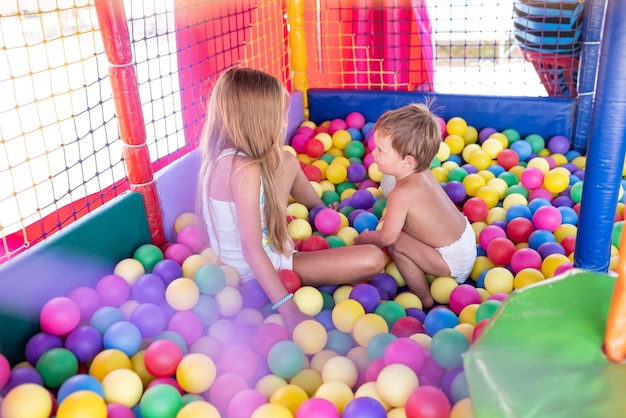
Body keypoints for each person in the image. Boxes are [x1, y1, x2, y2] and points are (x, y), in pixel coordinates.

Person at [197, 67, 386, 333]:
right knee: (374, 259)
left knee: (286, 159)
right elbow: (252, 250)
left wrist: (321, 218)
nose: (284, 124)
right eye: (279, 118)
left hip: (258, 252)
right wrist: (289, 309)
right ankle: (320, 216)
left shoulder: (221, 157)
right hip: (260, 271)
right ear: (258, 121)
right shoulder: (245, 170)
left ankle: (321, 211)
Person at [354, 103, 476, 308]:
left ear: (407, 162)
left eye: (381, 150)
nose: (373, 153)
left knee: (397, 243)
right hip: (464, 239)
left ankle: (423, 296)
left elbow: (386, 237)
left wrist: (365, 238)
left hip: (453, 261)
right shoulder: (423, 172)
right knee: (395, 226)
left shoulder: (401, 194)